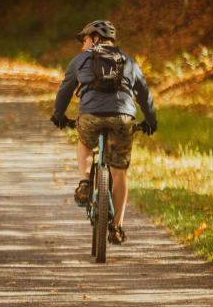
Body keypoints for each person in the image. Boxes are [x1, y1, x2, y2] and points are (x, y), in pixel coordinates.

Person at [51, 20, 156, 245]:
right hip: (122, 117)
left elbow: (65, 90)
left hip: (90, 116)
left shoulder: (79, 60)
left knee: (84, 142)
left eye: (85, 40)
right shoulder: (128, 61)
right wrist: (150, 120)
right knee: (119, 172)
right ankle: (116, 227)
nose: (82, 47)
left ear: (96, 38)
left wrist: (58, 115)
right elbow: (144, 93)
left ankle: (84, 182)